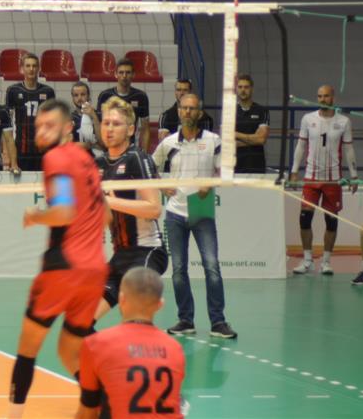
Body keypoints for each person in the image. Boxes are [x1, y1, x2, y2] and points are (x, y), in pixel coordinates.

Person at [7, 99, 106, 419]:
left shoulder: (56, 158)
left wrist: (35, 215)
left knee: (28, 348)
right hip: (95, 270)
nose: (41, 132)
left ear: (68, 128)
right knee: (69, 350)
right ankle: (105, 405)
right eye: (38, 126)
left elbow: (63, 212)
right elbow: (105, 215)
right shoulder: (86, 159)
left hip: (64, 268)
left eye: (49, 126)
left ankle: (13, 416)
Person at [152, 92, 237, 338]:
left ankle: (218, 322)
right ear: (179, 111)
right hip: (174, 214)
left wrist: (210, 183)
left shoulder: (213, 140)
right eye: (184, 108)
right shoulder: (168, 142)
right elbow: (150, 166)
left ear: (199, 113)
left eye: (192, 108)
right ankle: (185, 320)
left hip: (202, 213)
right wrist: (161, 186)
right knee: (178, 270)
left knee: (212, 266)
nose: (187, 112)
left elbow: (225, 171)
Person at [75, 267, 186, 419]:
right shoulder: (175, 349)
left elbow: (87, 413)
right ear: (160, 305)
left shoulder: (96, 344)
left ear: (121, 299)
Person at [95, 97, 167, 323]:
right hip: (120, 255)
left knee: (134, 316)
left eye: (116, 124)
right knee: (80, 321)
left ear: (130, 129)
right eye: (106, 123)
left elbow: (154, 209)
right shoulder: (99, 164)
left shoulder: (137, 158)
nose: (109, 129)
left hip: (146, 251)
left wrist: (109, 202)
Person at [289, 84, 357, 275]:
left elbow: (349, 149)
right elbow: (301, 146)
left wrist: (354, 175)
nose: (322, 99)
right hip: (311, 178)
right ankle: (307, 260)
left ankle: (326, 262)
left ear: (333, 98)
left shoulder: (344, 121)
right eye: (319, 96)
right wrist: (294, 171)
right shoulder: (307, 119)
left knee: (331, 222)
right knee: (304, 219)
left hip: (333, 180)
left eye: (326, 96)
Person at [6, 54, 56, 172]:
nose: (31, 69)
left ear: (39, 68)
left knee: (42, 182)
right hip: (21, 149)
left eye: (34, 66)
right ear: (22, 68)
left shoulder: (48, 91)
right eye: (28, 66)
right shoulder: (13, 90)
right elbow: (7, 124)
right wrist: (6, 152)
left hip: (42, 149)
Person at [96, 59, 151, 152]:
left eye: (128, 72)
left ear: (133, 75)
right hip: (109, 147)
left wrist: (145, 153)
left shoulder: (141, 96)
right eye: (121, 72)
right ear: (116, 74)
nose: (124, 76)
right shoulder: (105, 95)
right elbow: (99, 124)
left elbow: (145, 128)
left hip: (131, 146)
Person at [233, 74, 270, 173]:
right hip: (235, 166)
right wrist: (253, 139)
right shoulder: (230, 112)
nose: (243, 90)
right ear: (236, 89)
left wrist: (236, 134)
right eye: (240, 87)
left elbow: (261, 139)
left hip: (256, 165)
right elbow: (228, 143)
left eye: (246, 87)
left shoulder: (262, 111)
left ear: (251, 89)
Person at [69, 81, 100, 154]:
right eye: (76, 95)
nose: (79, 98)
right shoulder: (69, 118)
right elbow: (64, 145)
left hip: (96, 158)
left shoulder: (98, 115)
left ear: (88, 96)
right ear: (72, 98)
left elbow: (104, 144)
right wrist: (82, 145)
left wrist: (94, 117)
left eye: (83, 94)